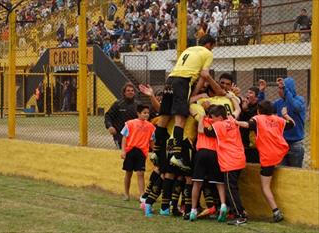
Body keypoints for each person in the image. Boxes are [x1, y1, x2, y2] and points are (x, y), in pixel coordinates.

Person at [154, 34, 225, 172]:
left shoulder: (188, 49)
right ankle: (177, 155)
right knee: (180, 118)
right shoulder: (207, 53)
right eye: (213, 47)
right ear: (210, 45)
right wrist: (199, 92)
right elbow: (204, 75)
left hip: (170, 80)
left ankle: (156, 152)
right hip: (183, 81)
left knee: (164, 117)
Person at [237, 100, 295, 222]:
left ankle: (276, 212)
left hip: (268, 156)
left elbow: (247, 125)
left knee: (265, 187)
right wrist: (285, 114)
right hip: (281, 151)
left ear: (259, 110)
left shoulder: (257, 119)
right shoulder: (277, 118)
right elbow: (291, 124)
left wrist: (235, 121)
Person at [203, 104, 247, 225]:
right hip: (239, 158)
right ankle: (241, 211)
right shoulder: (232, 120)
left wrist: (202, 118)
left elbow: (205, 131)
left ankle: (240, 216)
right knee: (234, 188)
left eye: (213, 117)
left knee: (231, 190)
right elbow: (237, 110)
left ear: (220, 117)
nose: (212, 120)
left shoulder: (218, 125)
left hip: (229, 161)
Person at [120, 104, 156, 201]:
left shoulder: (151, 127)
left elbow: (152, 141)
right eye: (144, 113)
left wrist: (155, 152)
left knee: (140, 173)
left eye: (148, 113)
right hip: (131, 151)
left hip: (142, 152)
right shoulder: (130, 123)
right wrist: (123, 151)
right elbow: (124, 137)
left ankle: (142, 196)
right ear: (138, 113)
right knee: (128, 173)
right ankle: (126, 194)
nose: (146, 115)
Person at [273, 77, 306, 168]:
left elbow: (295, 107)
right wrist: (261, 93)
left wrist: (286, 89)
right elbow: (265, 109)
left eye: (281, 88)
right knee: (282, 172)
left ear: (289, 88)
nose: (279, 91)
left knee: (296, 173)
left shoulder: (300, 100)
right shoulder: (279, 102)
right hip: (282, 143)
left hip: (295, 144)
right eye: (278, 88)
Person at [104, 82, 140, 149]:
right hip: (119, 136)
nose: (130, 92)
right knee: (122, 154)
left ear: (134, 93)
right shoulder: (118, 104)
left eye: (132, 91)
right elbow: (108, 116)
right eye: (128, 90)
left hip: (134, 136)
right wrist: (109, 126)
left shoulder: (138, 105)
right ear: (124, 93)